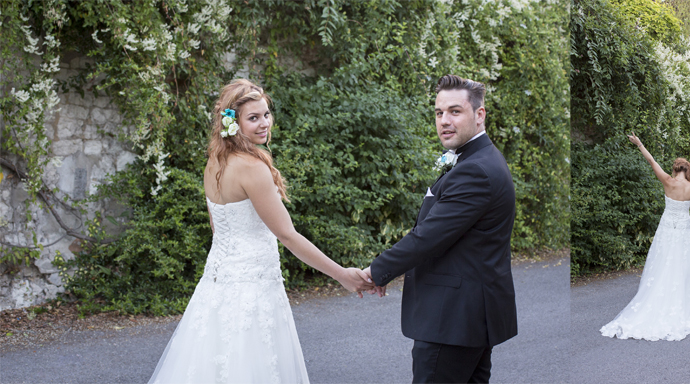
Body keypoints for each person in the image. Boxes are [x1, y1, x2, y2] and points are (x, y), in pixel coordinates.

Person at [148, 79, 374, 383]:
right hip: (253, 290)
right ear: (233, 122)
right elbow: (287, 235)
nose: (264, 123)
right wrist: (342, 275)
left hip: (216, 287)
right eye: (253, 118)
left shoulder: (215, 163)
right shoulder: (252, 168)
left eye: (266, 114)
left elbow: (218, 227)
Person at [363, 74, 517, 383]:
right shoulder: (477, 160)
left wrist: (374, 272)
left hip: (453, 320)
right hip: (467, 318)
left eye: (455, 111)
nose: (444, 120)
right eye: (439, 112)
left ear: (480, 114)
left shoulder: (476, 170)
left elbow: (428, 237)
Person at [600, 133, 690, 341]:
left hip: (666, 230)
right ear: (688, 170)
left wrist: (639, 143)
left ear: (675, 169)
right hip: (683, 231)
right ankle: (681, 303)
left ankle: (656, 300)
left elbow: (651, 160)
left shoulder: (667, 180)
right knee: (683, 265)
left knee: (663, 263)